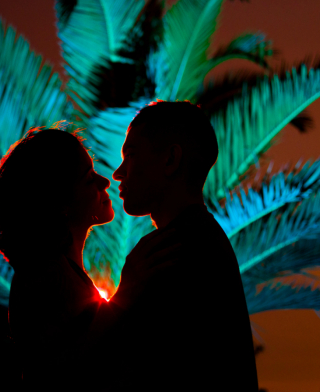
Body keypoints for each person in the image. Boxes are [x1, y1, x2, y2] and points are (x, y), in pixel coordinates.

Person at [0, 126, 179, 390]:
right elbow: (58, 369)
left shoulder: (57, 272)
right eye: (89, 178)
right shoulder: (42, 275)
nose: (106, 182)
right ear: (60, 204)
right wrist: (126, 294)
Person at [107, 100, 260, 390]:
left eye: (131, 155)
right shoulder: (204, 240)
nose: (118, 173)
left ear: (170, 160)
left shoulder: (167, 255)